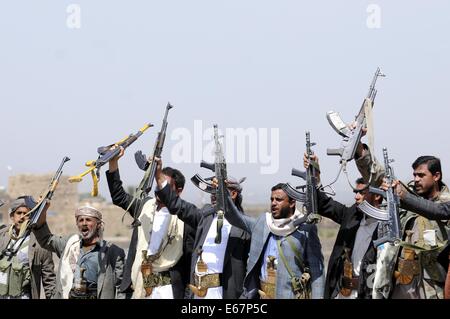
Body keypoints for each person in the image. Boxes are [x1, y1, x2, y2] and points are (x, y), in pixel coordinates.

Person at [154, 157, 251, 299]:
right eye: (211, 191)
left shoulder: (244, 227)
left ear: (234, 194)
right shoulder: (205, 217)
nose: (213, 196)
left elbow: (251, 269)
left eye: (217, 191)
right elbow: (177, 205)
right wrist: (158, 175)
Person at [107, 147, 195, 299]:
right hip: (139, 284)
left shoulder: (186, 219)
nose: (159, 190)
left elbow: (189, 261)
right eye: (158, 186)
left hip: (168, 288)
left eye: (164, 186)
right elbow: (118, 196)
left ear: (178, 191)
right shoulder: (144, 206)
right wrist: (113, 162)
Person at [358, 153, 449, 299]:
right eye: (414, 175)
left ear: (436, 176)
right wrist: (359, 151)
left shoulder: (446, 204)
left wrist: (405, 197)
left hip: (430, 288)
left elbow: (434, 210)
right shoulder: (405, 192)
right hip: (398, 283)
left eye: (421, 175)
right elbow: (376, 175)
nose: (416, 179)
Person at [223, 182, 325, 299]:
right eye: (272, 199)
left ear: (292, 203)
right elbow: (233, 216)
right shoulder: (263, 222)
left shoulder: (305, 229)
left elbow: (317, 272)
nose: (273, 203)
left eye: (279, 200)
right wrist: (222, 189)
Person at [33, 203, 125, 299]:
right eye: (81, 220)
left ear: (98, 224)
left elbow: (122, 288)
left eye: (88, 220)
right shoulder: (69, 245)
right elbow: (46, 239)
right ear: (77, 224)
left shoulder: (112, 252)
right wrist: (42, 211)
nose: (84, 223)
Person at [0, 196, 56, 299]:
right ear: (12, 216)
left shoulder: (40, 244)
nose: (22, 217)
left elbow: (49, 280)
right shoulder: (2, 236)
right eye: (19, 213)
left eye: (26, 214)